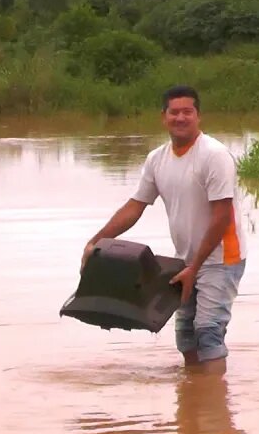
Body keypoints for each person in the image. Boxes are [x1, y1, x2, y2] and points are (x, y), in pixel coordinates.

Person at [83, 85, 249, 370]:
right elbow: (135, 207)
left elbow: (221, 217)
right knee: (185, 335)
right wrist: (96, 241)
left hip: (222, 257)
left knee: (208, 331)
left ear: (198, 116)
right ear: (164, 117)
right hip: (185, 259)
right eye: (175, 112)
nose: (181, 118)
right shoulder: (157, 159)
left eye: (188, 112)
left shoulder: (214, 156)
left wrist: (194, 268)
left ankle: (215, 407)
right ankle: (192, 401)